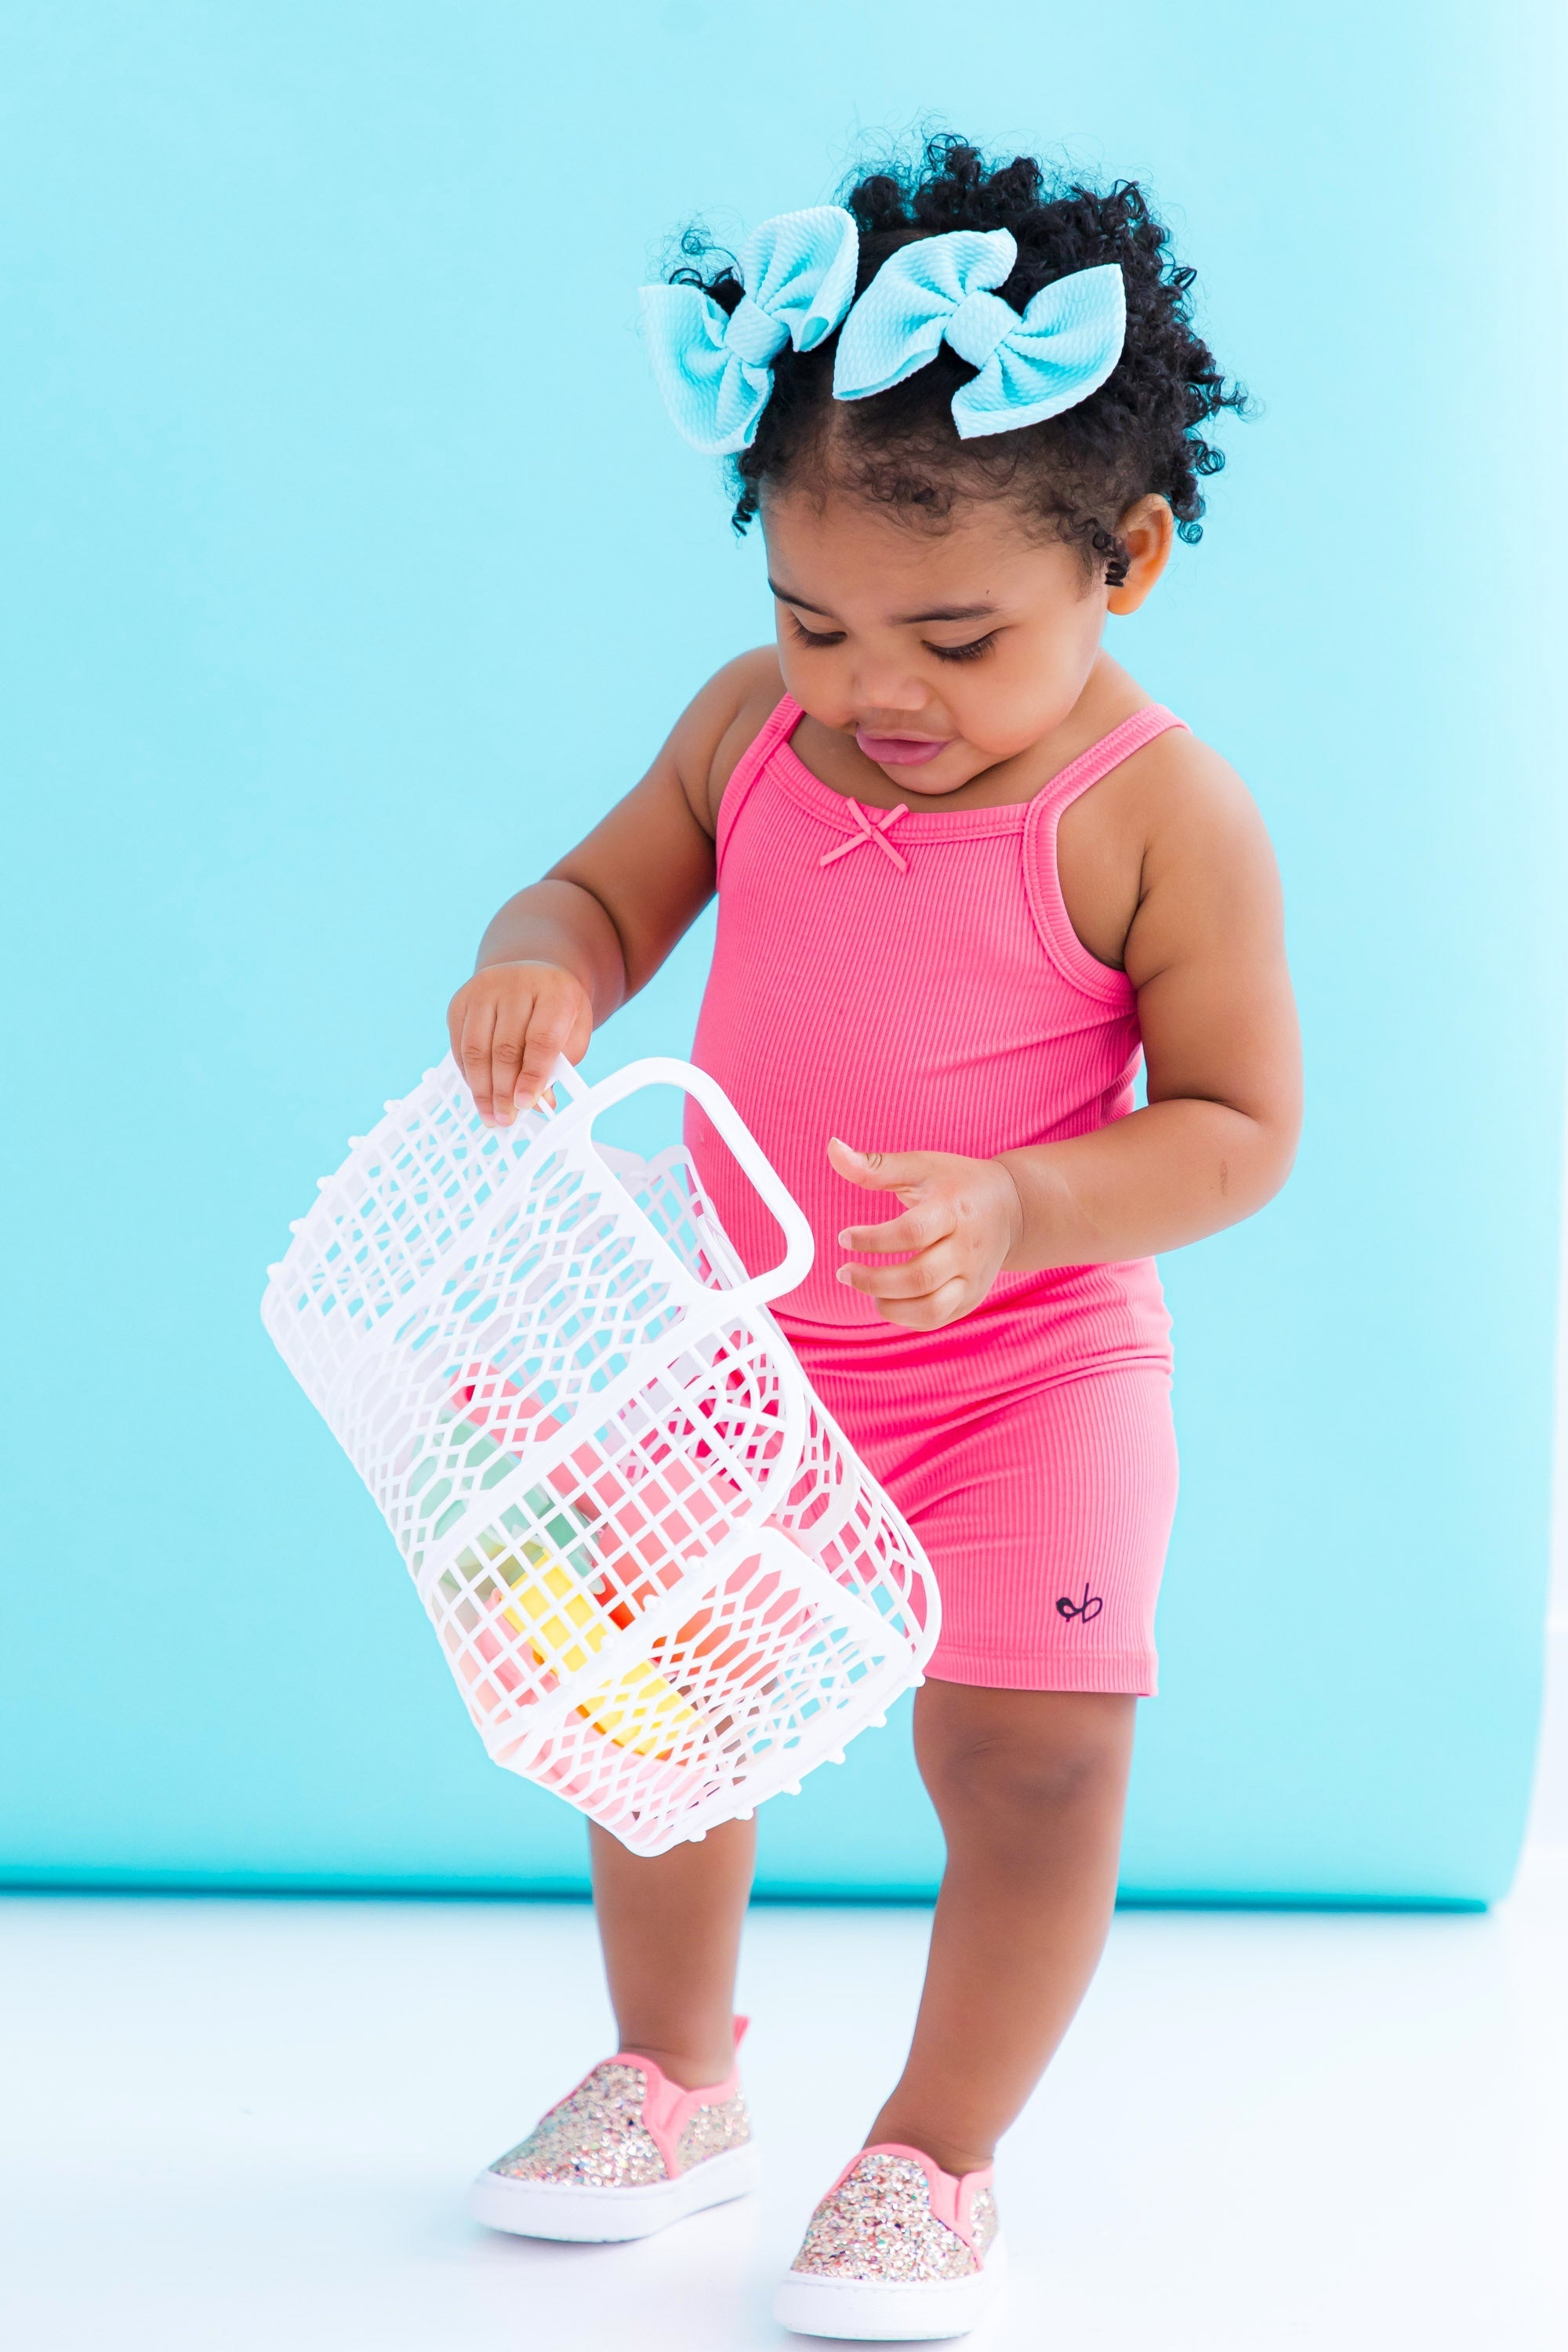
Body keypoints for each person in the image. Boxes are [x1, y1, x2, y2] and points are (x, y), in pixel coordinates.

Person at [449, 136, 1301, 2342]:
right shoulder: (756, 739)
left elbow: (1239, 1133)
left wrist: (1030, 1203)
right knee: (652, 1714)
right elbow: (604, 886)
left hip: (1023, 1369)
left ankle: (933, 2152)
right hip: (739, 1349)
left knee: (1032, 1753)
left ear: (1126, 560)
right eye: (811, 619)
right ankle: (677, 2073)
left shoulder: (1157, 816)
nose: (874, 691)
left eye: (953, 637)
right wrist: (541, 962)